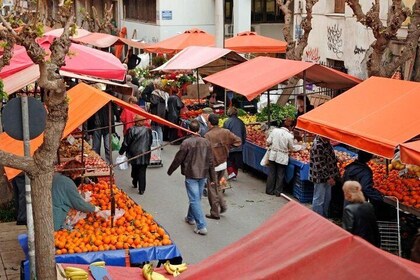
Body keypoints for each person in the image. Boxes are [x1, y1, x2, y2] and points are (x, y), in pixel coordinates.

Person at [167, 119, 216, 235]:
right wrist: (213, 178)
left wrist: (170, 170)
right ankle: (190, 217)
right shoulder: (206, 142)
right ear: (199, 129)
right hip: (203, 173)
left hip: (191, 174)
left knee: (194, 199)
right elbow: (210, 161)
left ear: (188, 129)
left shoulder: (186, 143)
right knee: (196, 198)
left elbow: (178, 159)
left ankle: (201, 225)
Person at [204, 114, 241, 219]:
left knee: (212, 188)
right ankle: (223, 205)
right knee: (217, 186)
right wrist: (228, 148)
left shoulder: (208, 135)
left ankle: (215, 212)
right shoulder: (226, 132)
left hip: (213, 166)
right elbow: (238, 141)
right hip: (223, 163)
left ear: (210, 123)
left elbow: (205, 152)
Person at [53, 160, 99, 231]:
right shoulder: (68, 183)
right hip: (56, 214)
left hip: (49, 208)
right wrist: (94, 208)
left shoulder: (56, 175)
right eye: (78, 174)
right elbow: (78, 203)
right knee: (57, 233)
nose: (78, 176)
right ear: (74, 173)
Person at [343, 150, 386, 219]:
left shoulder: (349, 167)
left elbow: (344, 181)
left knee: (349, 220)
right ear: (369, 158)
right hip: (359, 201)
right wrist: (379, 196)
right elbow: (366, 188)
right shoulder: (366, 171)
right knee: (358, 222)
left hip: (348, 199)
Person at [119, 115, 152, 194]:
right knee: (142, 171)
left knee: (135, 168)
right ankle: (142, 189)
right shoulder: (148, 130)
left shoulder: (131, 130)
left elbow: (126, 143)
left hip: (134, 153)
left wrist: (121, 151)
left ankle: (135, 180)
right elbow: (150, 141)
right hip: (145, 153)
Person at [342, 181, 380, 247]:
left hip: (357, 246)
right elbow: (375, 228)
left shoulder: (349, 209)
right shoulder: (368, 205)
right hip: (370, 244)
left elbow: (348, 232)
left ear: (347, 193)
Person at [309, 135, 339, 217]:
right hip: (320, 177)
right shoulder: (317, 145)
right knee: (319, 199)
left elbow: (329, 157)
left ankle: (324, 217)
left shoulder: (326, 142)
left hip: (328, 176)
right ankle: (317, 218)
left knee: (327, 198)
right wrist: (328, 178)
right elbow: (319, 165)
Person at [265, 118, 294, 197]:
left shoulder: (274, 131)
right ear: (291, 128)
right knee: (280, 174)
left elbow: (268, 141)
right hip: (282, 156)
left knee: (272, 173)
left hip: (273, 154)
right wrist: (300, 147)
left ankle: (269, 190)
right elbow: (292, 148)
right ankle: (277, 192)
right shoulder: (289, 136)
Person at [223, 107, 246, 180]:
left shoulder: (227, 122)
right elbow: (244, 134)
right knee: (236, 161)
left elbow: (224, 134)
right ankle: (234, 174)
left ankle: (231, 173)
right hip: (239, 144)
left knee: (229, 159)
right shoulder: (241, 122)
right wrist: (242, 142)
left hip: (230, 144)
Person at [149, 79, 168, 146]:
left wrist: (149, 104)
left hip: (155, 112)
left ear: (155, 85)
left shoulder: (154, 93)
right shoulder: (164, 94)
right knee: (160, 128)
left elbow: (154, 102)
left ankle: (154, 143)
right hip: (162, 113)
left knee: (153, 128)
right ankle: (160, 143)